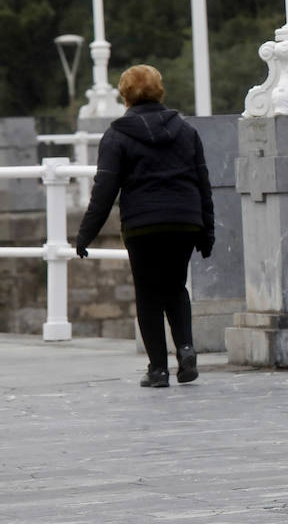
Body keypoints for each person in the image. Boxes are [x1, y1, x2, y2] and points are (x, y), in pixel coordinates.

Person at [76, 64, 215, 389]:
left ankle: (158, 369)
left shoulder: (117, 136)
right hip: (184, 221)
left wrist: (85, 234)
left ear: (124, 96)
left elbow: (104, 190)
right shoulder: (185, 130)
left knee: (148, 294)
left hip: (143, 226)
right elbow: (203, 183)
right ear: (160, 91)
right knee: (176, 288)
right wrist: (206, 231)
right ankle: (185, 348)